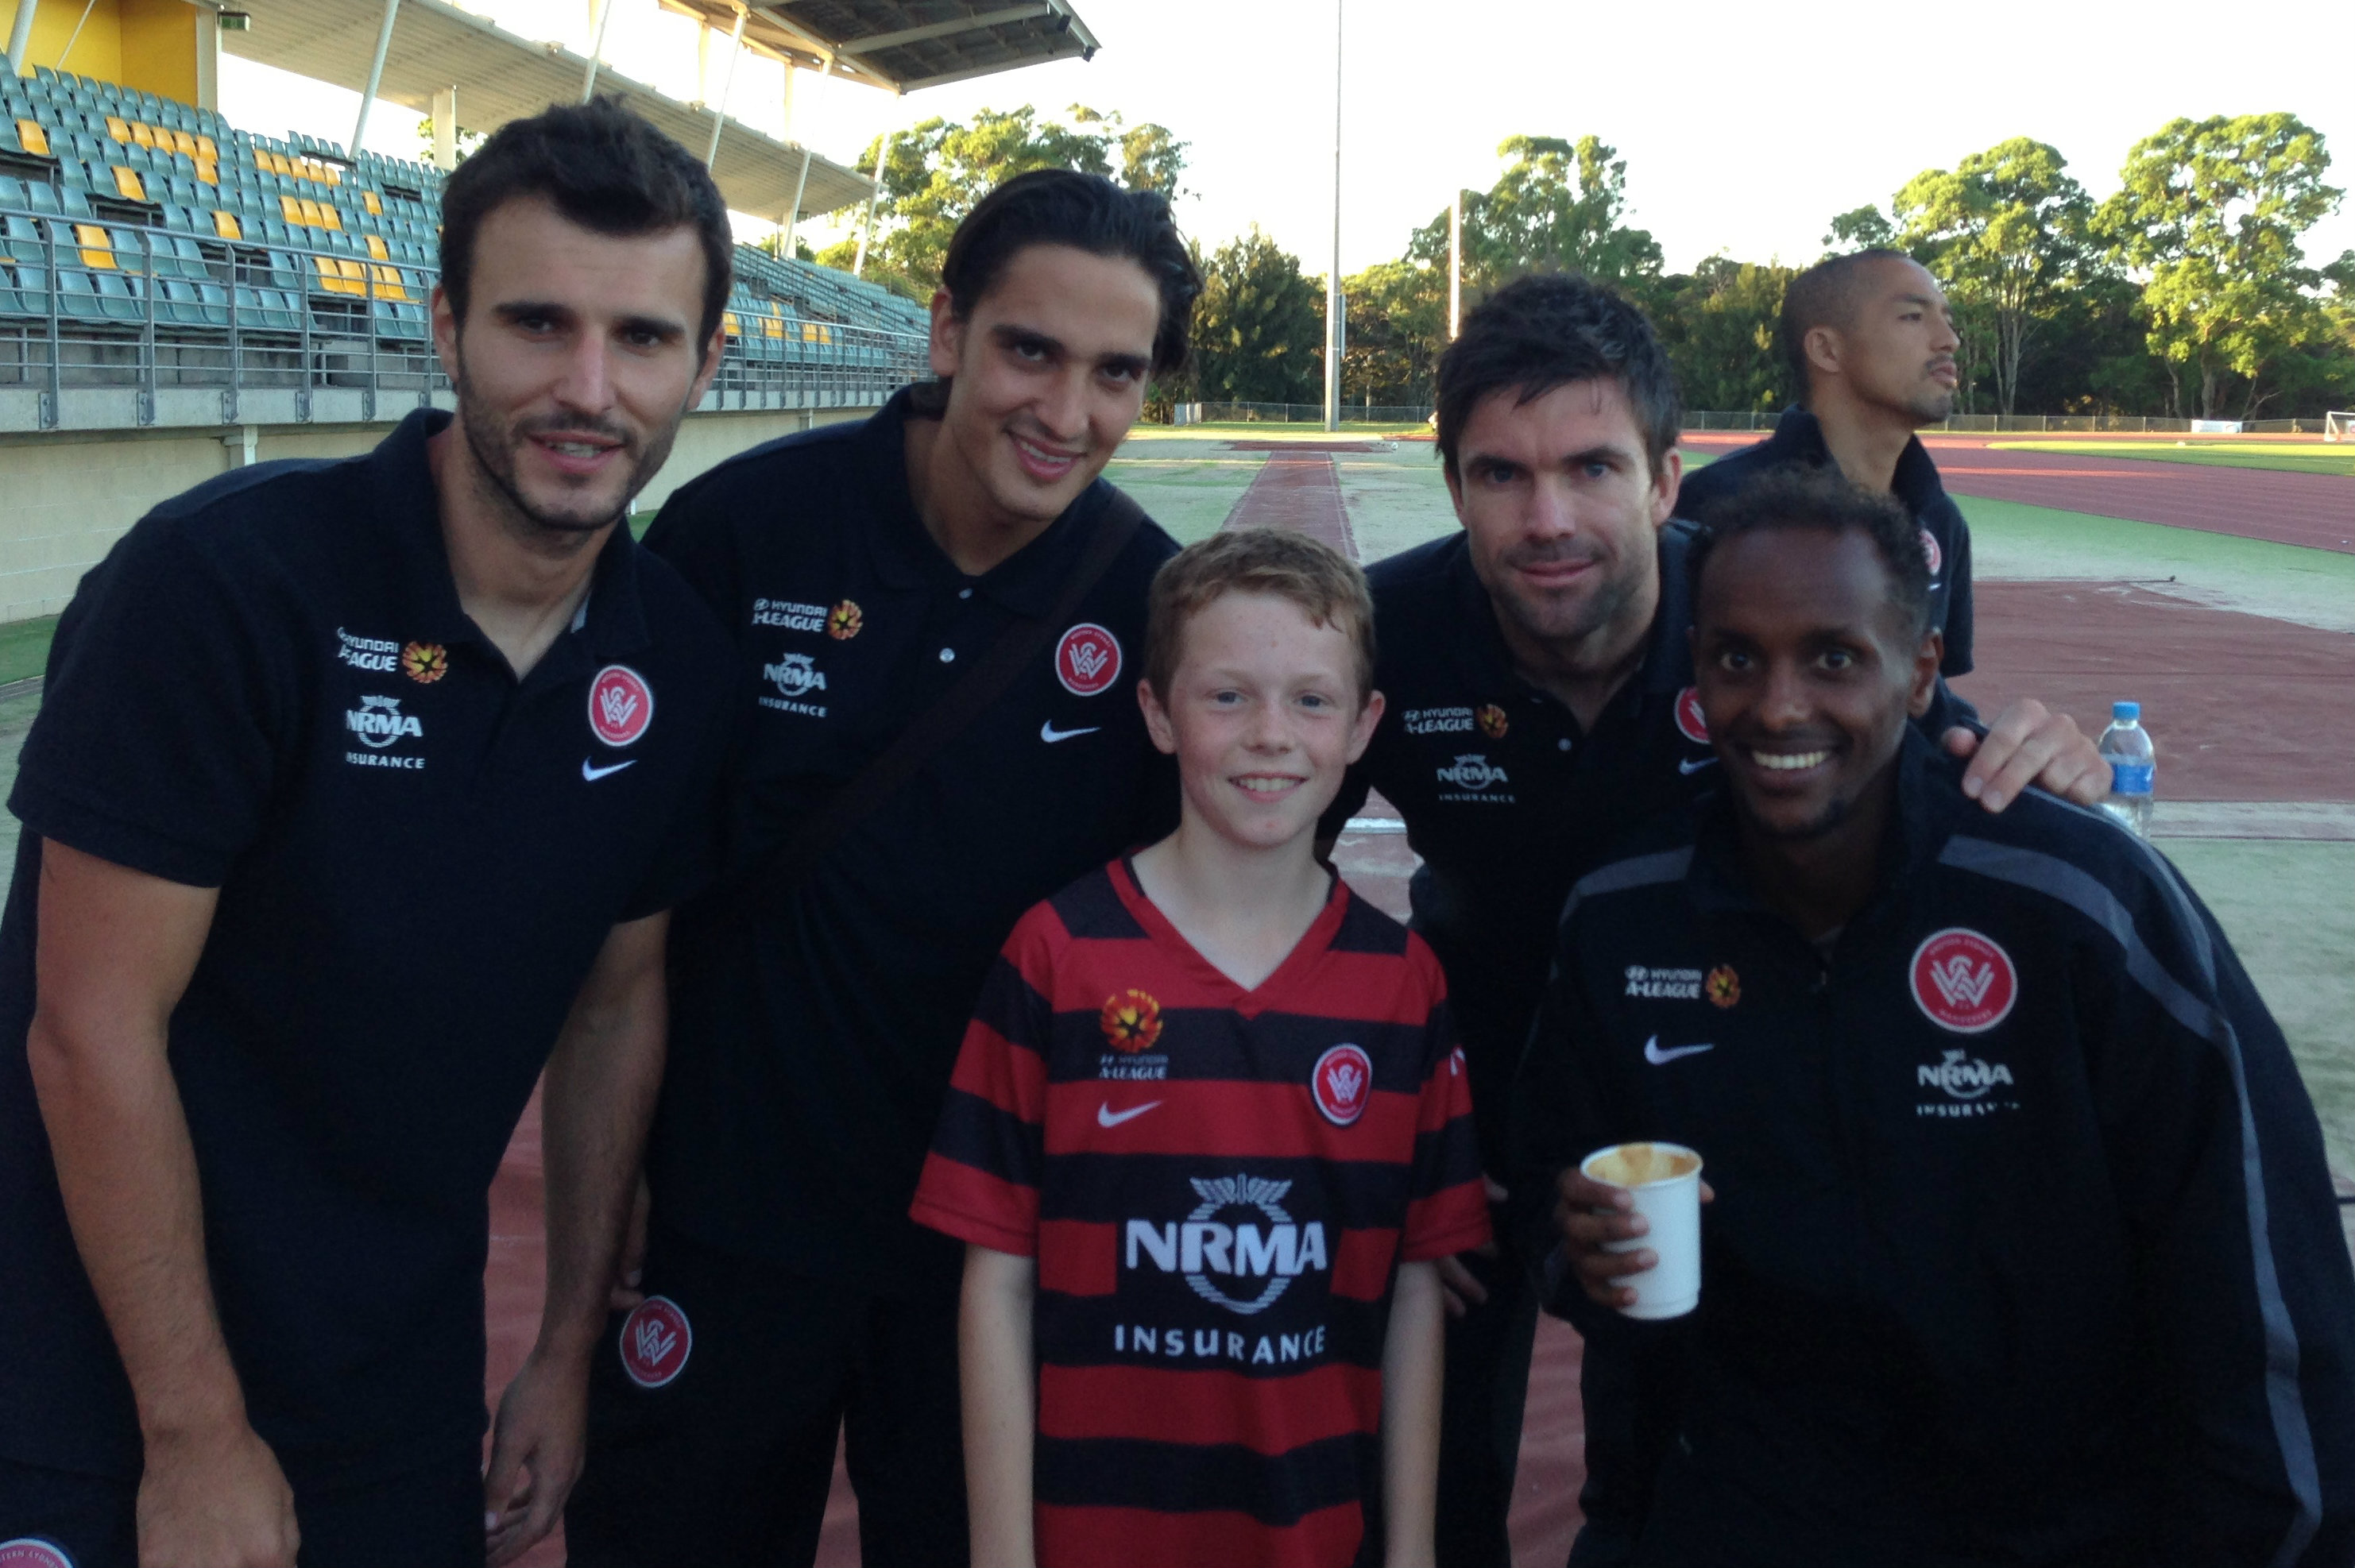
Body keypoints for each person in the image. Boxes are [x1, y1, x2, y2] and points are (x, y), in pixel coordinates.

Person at [0, 98, 737, 1568]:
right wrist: (192, 1431)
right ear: (446, 325)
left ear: (706, 362)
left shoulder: (674, 666)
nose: (589, 388)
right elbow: (88, 1029)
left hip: (393, 1386)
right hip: (93, 1374)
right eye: (537, 323)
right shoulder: (223, 586)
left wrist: (563, 1347)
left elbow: (615, 1003)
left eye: (643, 338)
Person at [1322, 272, 2109, 1565]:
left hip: (1708, 1094)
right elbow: (1264, 872)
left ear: (1664, 480)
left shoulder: (1752, 617)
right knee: (1423, 1456)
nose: (1547, 518)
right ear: (1453, 486)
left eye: (1590, 467)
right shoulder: (1387, 631)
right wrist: (1356, 1108)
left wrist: (2032, 755)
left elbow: (1919, 752)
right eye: (1501, 475)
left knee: (1678, 1451)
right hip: (1466, 1100)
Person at [1511, 466, 2355, 1565]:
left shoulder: (2076, 906)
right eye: (1737, 658)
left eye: (1834, 657)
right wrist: (1577, 1247)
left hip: (2054, 1534)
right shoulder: (1623, 918)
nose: (1779, 705)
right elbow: (1548, 1195)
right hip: (1745, 1521)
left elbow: (2258, 1290)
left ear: (1918, 674)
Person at [556, 169, 1202, 1566]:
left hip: (995, 1243)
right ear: (946, 328)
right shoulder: (745, 531)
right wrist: (611, 1193)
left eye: (1114, 372)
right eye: (1029, 350)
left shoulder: (1155, 604)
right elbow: (622, 915)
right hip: (728, 1221)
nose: (1066, 410)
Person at [911, 527, 1491, 1567]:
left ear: (1364, 727)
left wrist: (1410, 1552)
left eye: (1310, 700)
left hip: (1314, 1535)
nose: (1271, 735)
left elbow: (1415, 1290)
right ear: (1156, 712)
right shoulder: (1059, 956)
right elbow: (996, 1279)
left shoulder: (1404, 984)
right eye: (1227, 696)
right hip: (1094, 1536)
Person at [1673, 248, 1974, 681]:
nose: (1949, 340)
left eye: (1947, 318)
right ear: (1827, 349)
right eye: (1913, 317)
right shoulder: (1714, 504)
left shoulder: (1940, 519)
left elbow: (1930, 697)